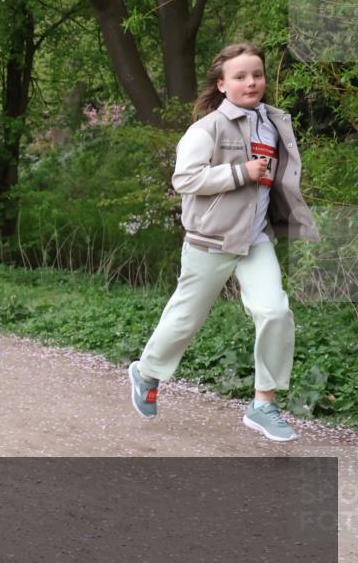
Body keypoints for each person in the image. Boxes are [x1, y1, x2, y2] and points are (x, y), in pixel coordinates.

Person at [127, 43, 320, 442]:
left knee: (275, 311)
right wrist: (240, 173)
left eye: (257, 74)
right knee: (185, 319)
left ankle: (263, 403)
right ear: (222, 84)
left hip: (255, 240)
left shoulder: (275, 122)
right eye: (240, 76)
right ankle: (146, 372)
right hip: (210, 241)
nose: (251, 82)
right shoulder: (208, 128)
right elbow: (184, 180)